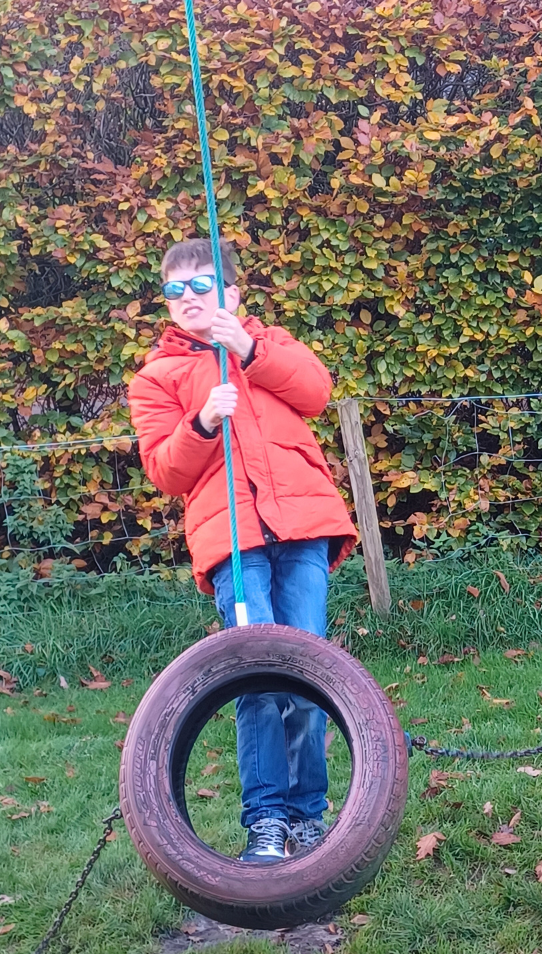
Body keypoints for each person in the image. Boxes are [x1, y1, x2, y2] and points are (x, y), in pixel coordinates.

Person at [127, 238, 357, 861]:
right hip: (231, 538)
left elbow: (315, 392)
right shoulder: (156, 378)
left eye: (201, 286)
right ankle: (266, 821)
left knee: (310, 674)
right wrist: (201, 423)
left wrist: (247, 351)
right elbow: (166, 473)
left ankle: (309, 814)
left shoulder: (268, 343)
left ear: (232, 293)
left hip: (302, 526)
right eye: (174, 290)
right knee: (257, 673)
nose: (187, 299)